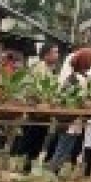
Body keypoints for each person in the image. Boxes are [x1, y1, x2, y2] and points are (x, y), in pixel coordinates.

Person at [48, 48, 91, 173]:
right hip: (70, 121)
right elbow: (71, 99)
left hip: (73, 121)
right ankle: (51, 174)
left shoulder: (78, 77)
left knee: (64, 149)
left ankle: (54, 174)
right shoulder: (77, 78)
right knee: (62, 150)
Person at [21, 43, 61, 171]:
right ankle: (24, 169)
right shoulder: (39, 68)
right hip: (36, 114)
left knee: (37, 143)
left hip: (43, 114)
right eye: (55, 52)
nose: (57, 55)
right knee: (31, 142)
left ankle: (27, 169)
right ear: (46, 54)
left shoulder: (48, 69)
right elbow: (35, 90)